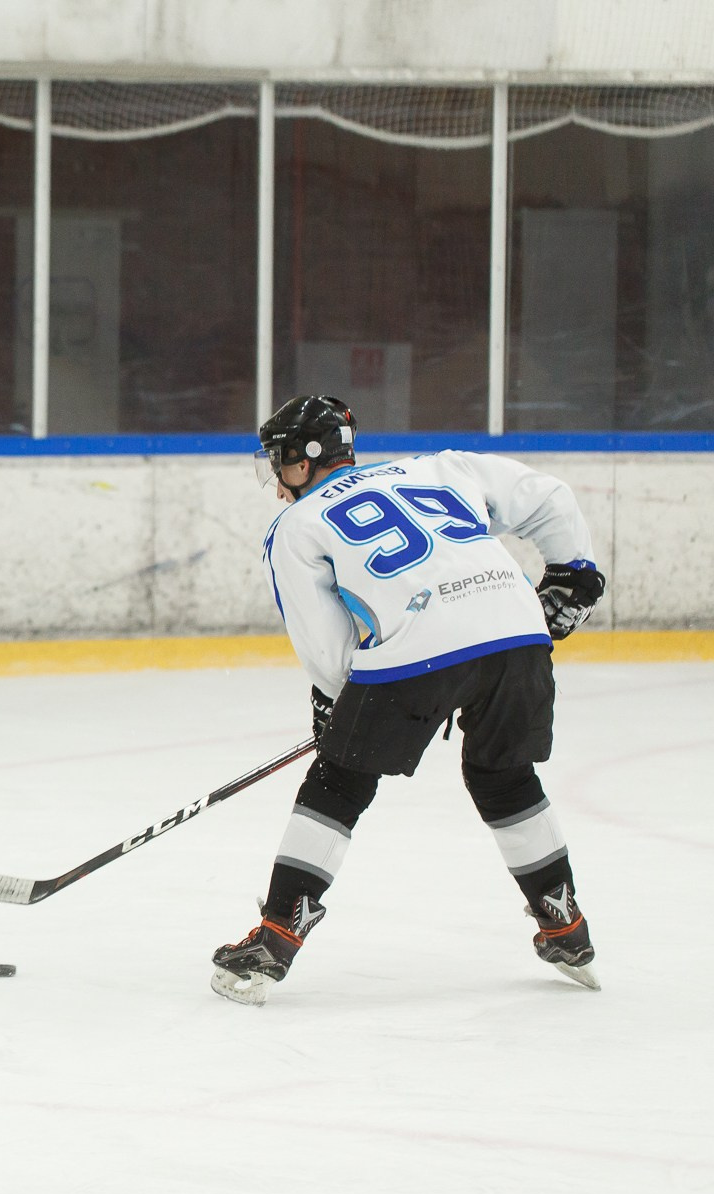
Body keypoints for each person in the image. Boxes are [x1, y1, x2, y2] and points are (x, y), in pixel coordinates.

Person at [210, 395, 608, 1005]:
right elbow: (548, 495)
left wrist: (337, 702)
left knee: (341, 780)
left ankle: (276, 936)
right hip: (518, 633)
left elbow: (325, 643)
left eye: (280, 461)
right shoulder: (441, 467)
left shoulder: (297, 524)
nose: (277, 478)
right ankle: (565, 926)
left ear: (304, 458)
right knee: (503, 775)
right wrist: (572, 572)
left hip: (415, 649)